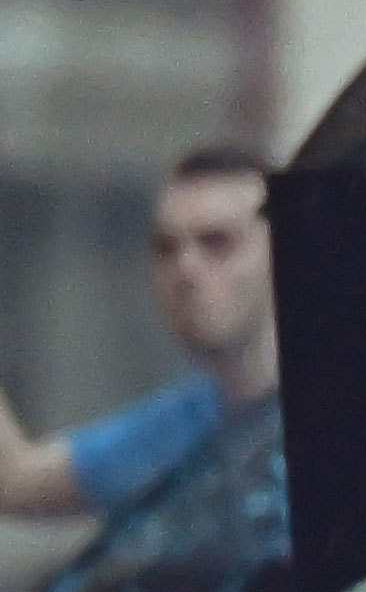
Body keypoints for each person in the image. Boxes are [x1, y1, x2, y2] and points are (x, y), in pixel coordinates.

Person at [0, 150, 276, 531]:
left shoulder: (341, 412)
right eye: (167, 248)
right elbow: (15, 481)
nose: (186, 269)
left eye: (217, 242)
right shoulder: (183, 423)